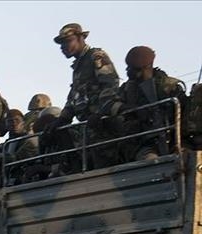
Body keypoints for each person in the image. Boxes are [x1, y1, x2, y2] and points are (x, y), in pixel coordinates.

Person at [95, 45, 188, 162]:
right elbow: (106, 106)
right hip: (141, 144)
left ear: (147, 67)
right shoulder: (127, 89)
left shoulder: (169, 87)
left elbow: (184, 114)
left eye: (135, 69)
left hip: (173, 140)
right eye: (129, 67)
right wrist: (130, 109)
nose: (129, 71)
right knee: (151, 162)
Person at [47, 23, 120, 169]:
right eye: (61, 44)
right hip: (88, 126)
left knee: (103, 167)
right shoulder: (78, 68)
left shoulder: (95, 56)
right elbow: (74, 96)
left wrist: (100, 112)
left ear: (81, 39)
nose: (63, 47)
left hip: (101, 125)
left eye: (68, 41)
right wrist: (62, 119)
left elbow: (110, 84)